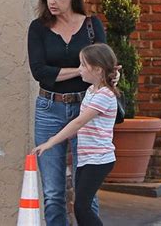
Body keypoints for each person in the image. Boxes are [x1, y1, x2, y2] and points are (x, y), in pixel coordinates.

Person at [27, 0, 105, 225]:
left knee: (86, 192)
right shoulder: (38, 28)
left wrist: (92, 72)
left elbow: (104, 66)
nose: (52, 1)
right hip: (50, 108)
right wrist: (83, 70)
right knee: (52, 192)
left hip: (87, 107)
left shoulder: (92, 26)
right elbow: (40, 73)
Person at [32, 43, 118, 226]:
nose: (79, 70)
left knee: (82, 207)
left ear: (97, 69)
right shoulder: (90, 91)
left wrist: (51, 142)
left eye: (82, 65)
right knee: (81, 207)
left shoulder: (104, 95)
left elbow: (78, 122)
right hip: (88, 159)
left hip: (99, 160)